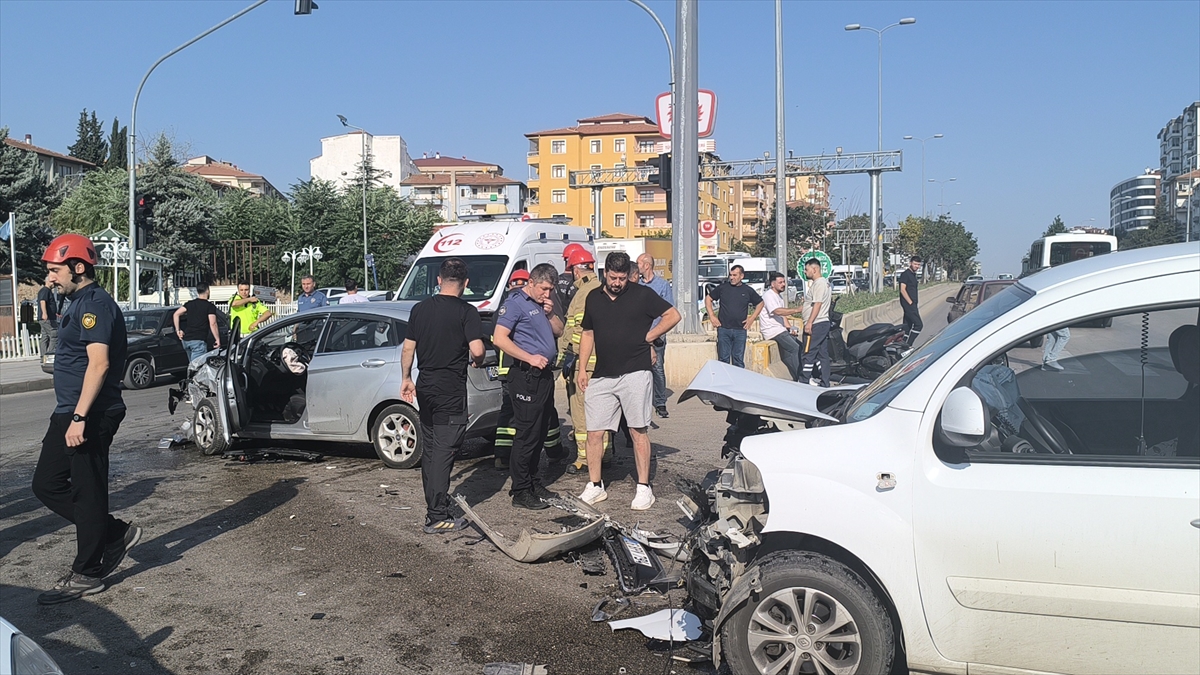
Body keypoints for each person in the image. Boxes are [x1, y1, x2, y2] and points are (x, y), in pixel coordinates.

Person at [31, 233, 141, 605]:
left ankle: (88, 572)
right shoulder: (75, 303)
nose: (49, 278)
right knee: (46, 484)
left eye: (54, 270)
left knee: (87, 490)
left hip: (91, 413)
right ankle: (112, 533)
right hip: (69, 412)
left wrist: (79, 417)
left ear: (78, 267)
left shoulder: (96, 304)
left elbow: (100, 363)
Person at [576, 251, 681, 510]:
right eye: (613, 277)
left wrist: (648, 337)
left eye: (622, 278)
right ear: (605, 273)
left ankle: (644, 487)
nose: (617, 283)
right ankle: (595, 485)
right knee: (594, 433)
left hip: (636, 372)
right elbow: (588, 333)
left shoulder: (642, 294)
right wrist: (581, 369)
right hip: (602, 374)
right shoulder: (593, 298)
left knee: (637, 430)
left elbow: (673, 315)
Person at [401, 257, 485, 533]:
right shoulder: (467, 312)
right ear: (466, 284)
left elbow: (408, 349)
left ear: (439, 280)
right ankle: (436, 515)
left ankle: (435, 505)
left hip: (426, 385)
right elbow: (478, 351)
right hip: (450, 390)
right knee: (444, 453)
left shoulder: (420, 309)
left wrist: (406, 378)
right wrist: (476, 360)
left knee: (433, 448)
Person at [492, 263, 565, 510]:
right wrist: (529, 357)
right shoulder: (515, 303)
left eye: (551, 290)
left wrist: (550, 313)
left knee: (541, 429)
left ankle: (534, 482)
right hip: (525, 376)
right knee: (526, 434)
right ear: (531, 282)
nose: (547, 293)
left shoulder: (541, 304)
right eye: (544, 288)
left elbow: (560, 330)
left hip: (543, 376)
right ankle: (521, 491)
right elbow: (499, 338)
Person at [559, 248, 612, 474]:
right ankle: (604, 453)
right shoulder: (600, 289)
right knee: (601, 411)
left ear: (576, 270)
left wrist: (565, 356)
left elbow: (576, 330)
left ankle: (584, 457)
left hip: (584, 363)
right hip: (598, 361)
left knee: (581, 410)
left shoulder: (583, 293)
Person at [705, 265, 763, 369]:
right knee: (723, 359)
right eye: (730, 275)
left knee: (738, 360)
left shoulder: (747, 290)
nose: (732, 278)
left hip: (740, 330)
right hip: (724, 329)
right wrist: (712, 316)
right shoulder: (723, 288)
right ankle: (724, 383)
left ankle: (738, 384)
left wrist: (752, 318)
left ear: (741, 276)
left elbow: (760, 303)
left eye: (735, 275)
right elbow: (708, 298)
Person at [637, 253, 674, 418]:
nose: (636, 266)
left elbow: (670, 311)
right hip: (638, 334)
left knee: (657, 368)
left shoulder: (662, 286)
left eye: (638, 263)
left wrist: (660, 331)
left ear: (646, 265)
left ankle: (660, 402)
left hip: (657, 333)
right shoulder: (636, 285)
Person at [760, 271, 805, 381]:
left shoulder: (778, 296)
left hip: (780, 329)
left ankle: (804, 374)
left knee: (802, 347)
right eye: (780, 282)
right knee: (795, 348)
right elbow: (777, 312)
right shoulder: (768, 295)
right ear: (773, 284)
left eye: (784, 282)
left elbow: (783, 316)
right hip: (772, 331)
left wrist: (790, 328)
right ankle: (801, 378)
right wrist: (796, 310)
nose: (783, 284)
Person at [800, 258, 833, 387]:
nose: (805, 272)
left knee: (809, 352)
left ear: (815, 269)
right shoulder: (822, 283)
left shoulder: (819, 284)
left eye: (807, 269)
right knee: (822, 354)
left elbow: (817, 304)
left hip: (817, 324)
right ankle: (825, 382)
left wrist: (809, 323)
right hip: (821, 323)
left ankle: (803, 380)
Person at [173, 282, 221, 362]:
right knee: (197, 368)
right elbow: (213, 324)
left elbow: (176, 314)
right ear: (207, 291)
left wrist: (178, 330)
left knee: (192, 366)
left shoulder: (190, 304)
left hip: (186, 340)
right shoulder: (210, 306)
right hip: (198, 341)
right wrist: (217, 339)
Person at [899, 256, 923, 346]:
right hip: (909, 304)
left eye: (918, 265)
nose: (917, 266)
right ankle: (908, 345)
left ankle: (901, 344)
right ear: (910, 263)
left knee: (907, 326)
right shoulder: (905, 274)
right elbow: (902, 289)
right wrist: (910, 302)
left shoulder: (913, 275)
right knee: (918, 325)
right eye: (915, 264)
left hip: (913, 303)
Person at [37, 276, 60, 356]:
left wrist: (54, 313)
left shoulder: (47, 291)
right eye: (53, 282)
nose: (54, 284)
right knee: (54, 334)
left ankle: (43, 356)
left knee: (45, 336)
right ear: (48, 282)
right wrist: (44, 313)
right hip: (47, 318)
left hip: (49, 317)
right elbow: (43, 301)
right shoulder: (45, 291)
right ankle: (50, 354)